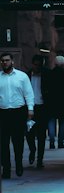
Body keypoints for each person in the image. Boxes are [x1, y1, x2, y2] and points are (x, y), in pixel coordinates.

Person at [0, 51, 34, 179]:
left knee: (18, 141)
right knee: (3, 143)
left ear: (12, 61)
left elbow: (28, 94)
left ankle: (19, 164)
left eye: (7, 60)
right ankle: (6, 169)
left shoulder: (22, 76)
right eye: (2, 60)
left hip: (18, 112)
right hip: (3, 112)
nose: (4, 62)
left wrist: (30, 109)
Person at [26, 54, 48, 169]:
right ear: (32, 64)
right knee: (29, 133)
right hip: (30, 108)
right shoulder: (27, 75)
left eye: (39, 65)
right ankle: (32, 150)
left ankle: (40, 160)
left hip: (42, 108)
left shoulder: (47, 75)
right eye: (35, 65)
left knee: (41, 136)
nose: (37, 67)